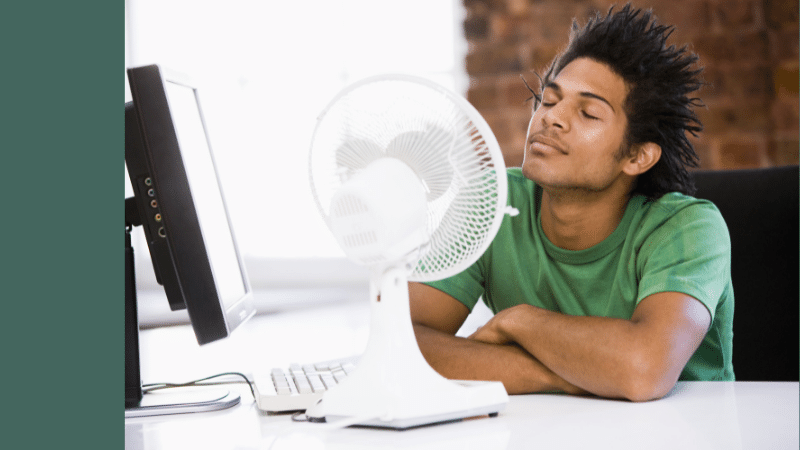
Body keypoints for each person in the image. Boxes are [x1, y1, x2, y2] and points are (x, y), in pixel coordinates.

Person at [409, 3, 734, 402]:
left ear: (637, 157)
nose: (552, 118)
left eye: (588, 113)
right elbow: (403, 346)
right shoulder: (490, 200)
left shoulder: (689, 229)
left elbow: (643, 370)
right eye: (548, 100)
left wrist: (520, 322)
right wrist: (562, 375)